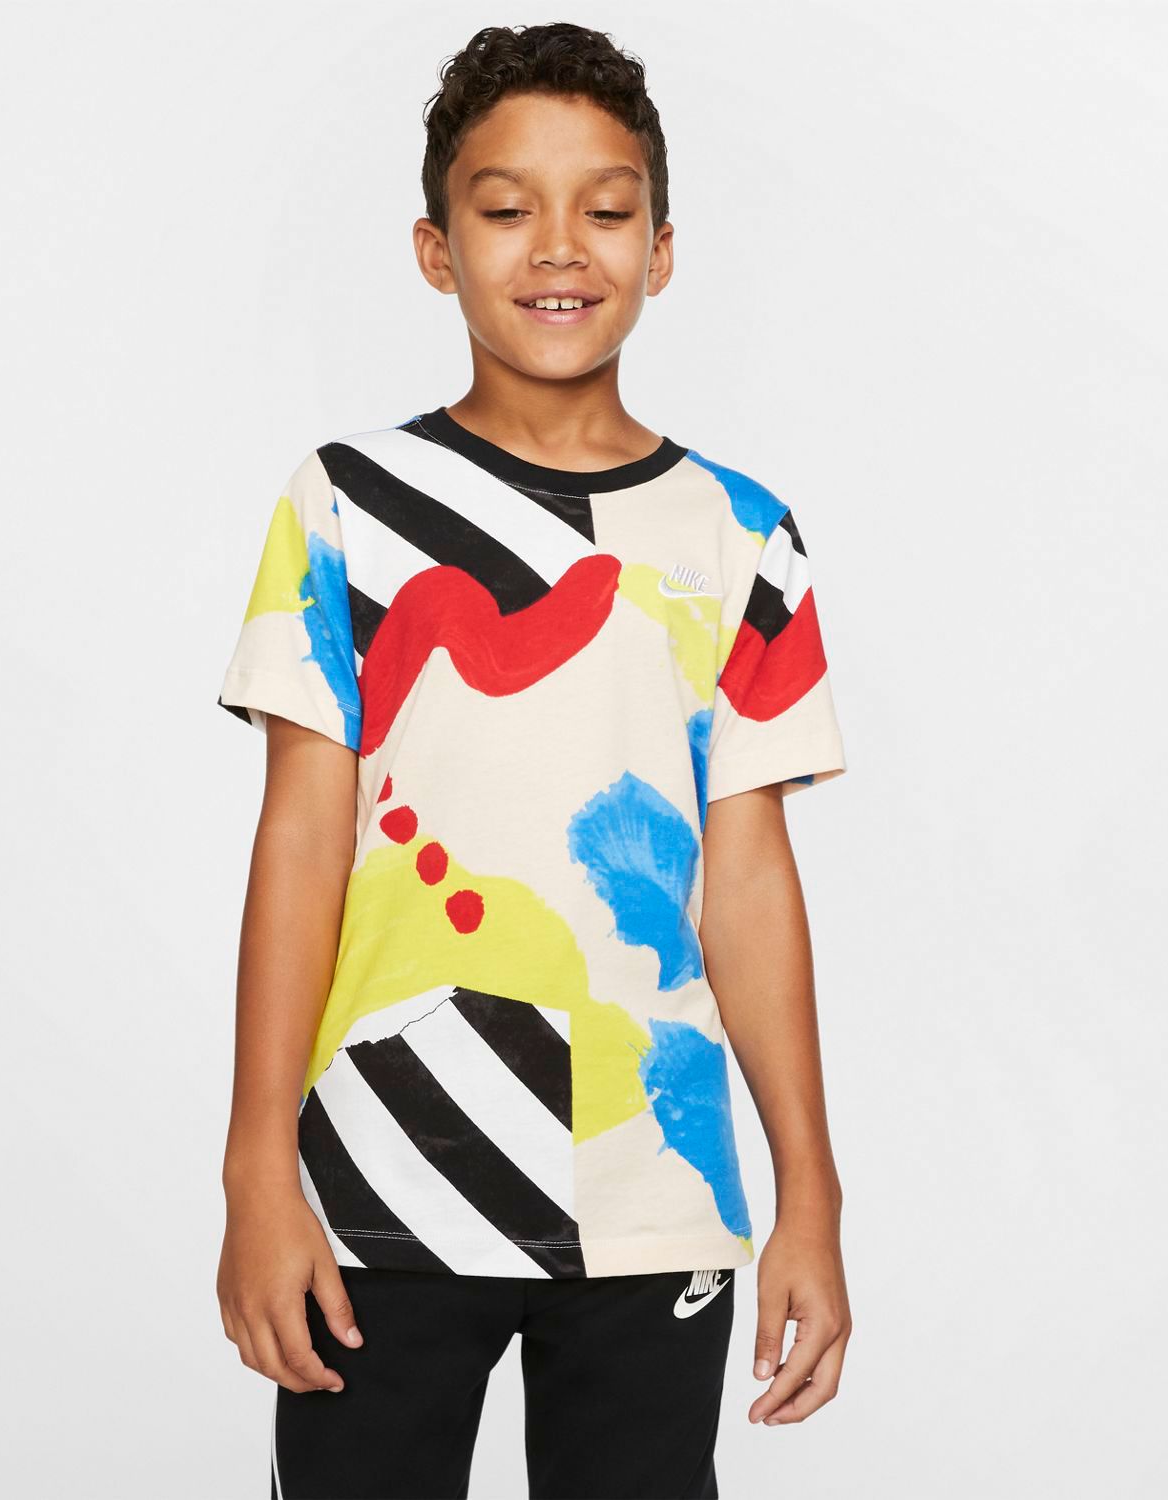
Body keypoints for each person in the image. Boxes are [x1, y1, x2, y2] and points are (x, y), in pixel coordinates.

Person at [214, 21, 852, 1500]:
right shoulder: (348, 505)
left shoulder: (740, 534)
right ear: (437, 251)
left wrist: (808, 1193)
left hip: (654, 1188)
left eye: (605, 209)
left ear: (661, 250)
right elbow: (300, 843)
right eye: (507, 208)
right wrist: (255, 1166)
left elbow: (749, 876)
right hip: (383, 1171)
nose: (559, 246)